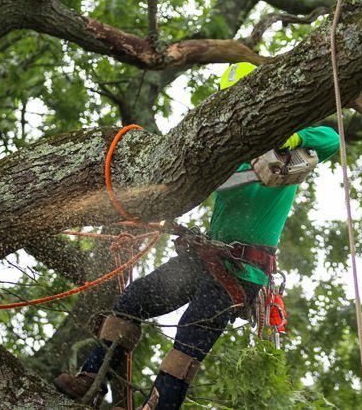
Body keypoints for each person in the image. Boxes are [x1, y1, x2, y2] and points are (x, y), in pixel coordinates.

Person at [53, 63, 339, 409]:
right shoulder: (228, 152)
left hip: (243, 271)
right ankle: (92, 380)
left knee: (191, 333)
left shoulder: (287, 148)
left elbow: (331, 139)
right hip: (206, 258)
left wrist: (292, 138)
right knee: (134, 299)